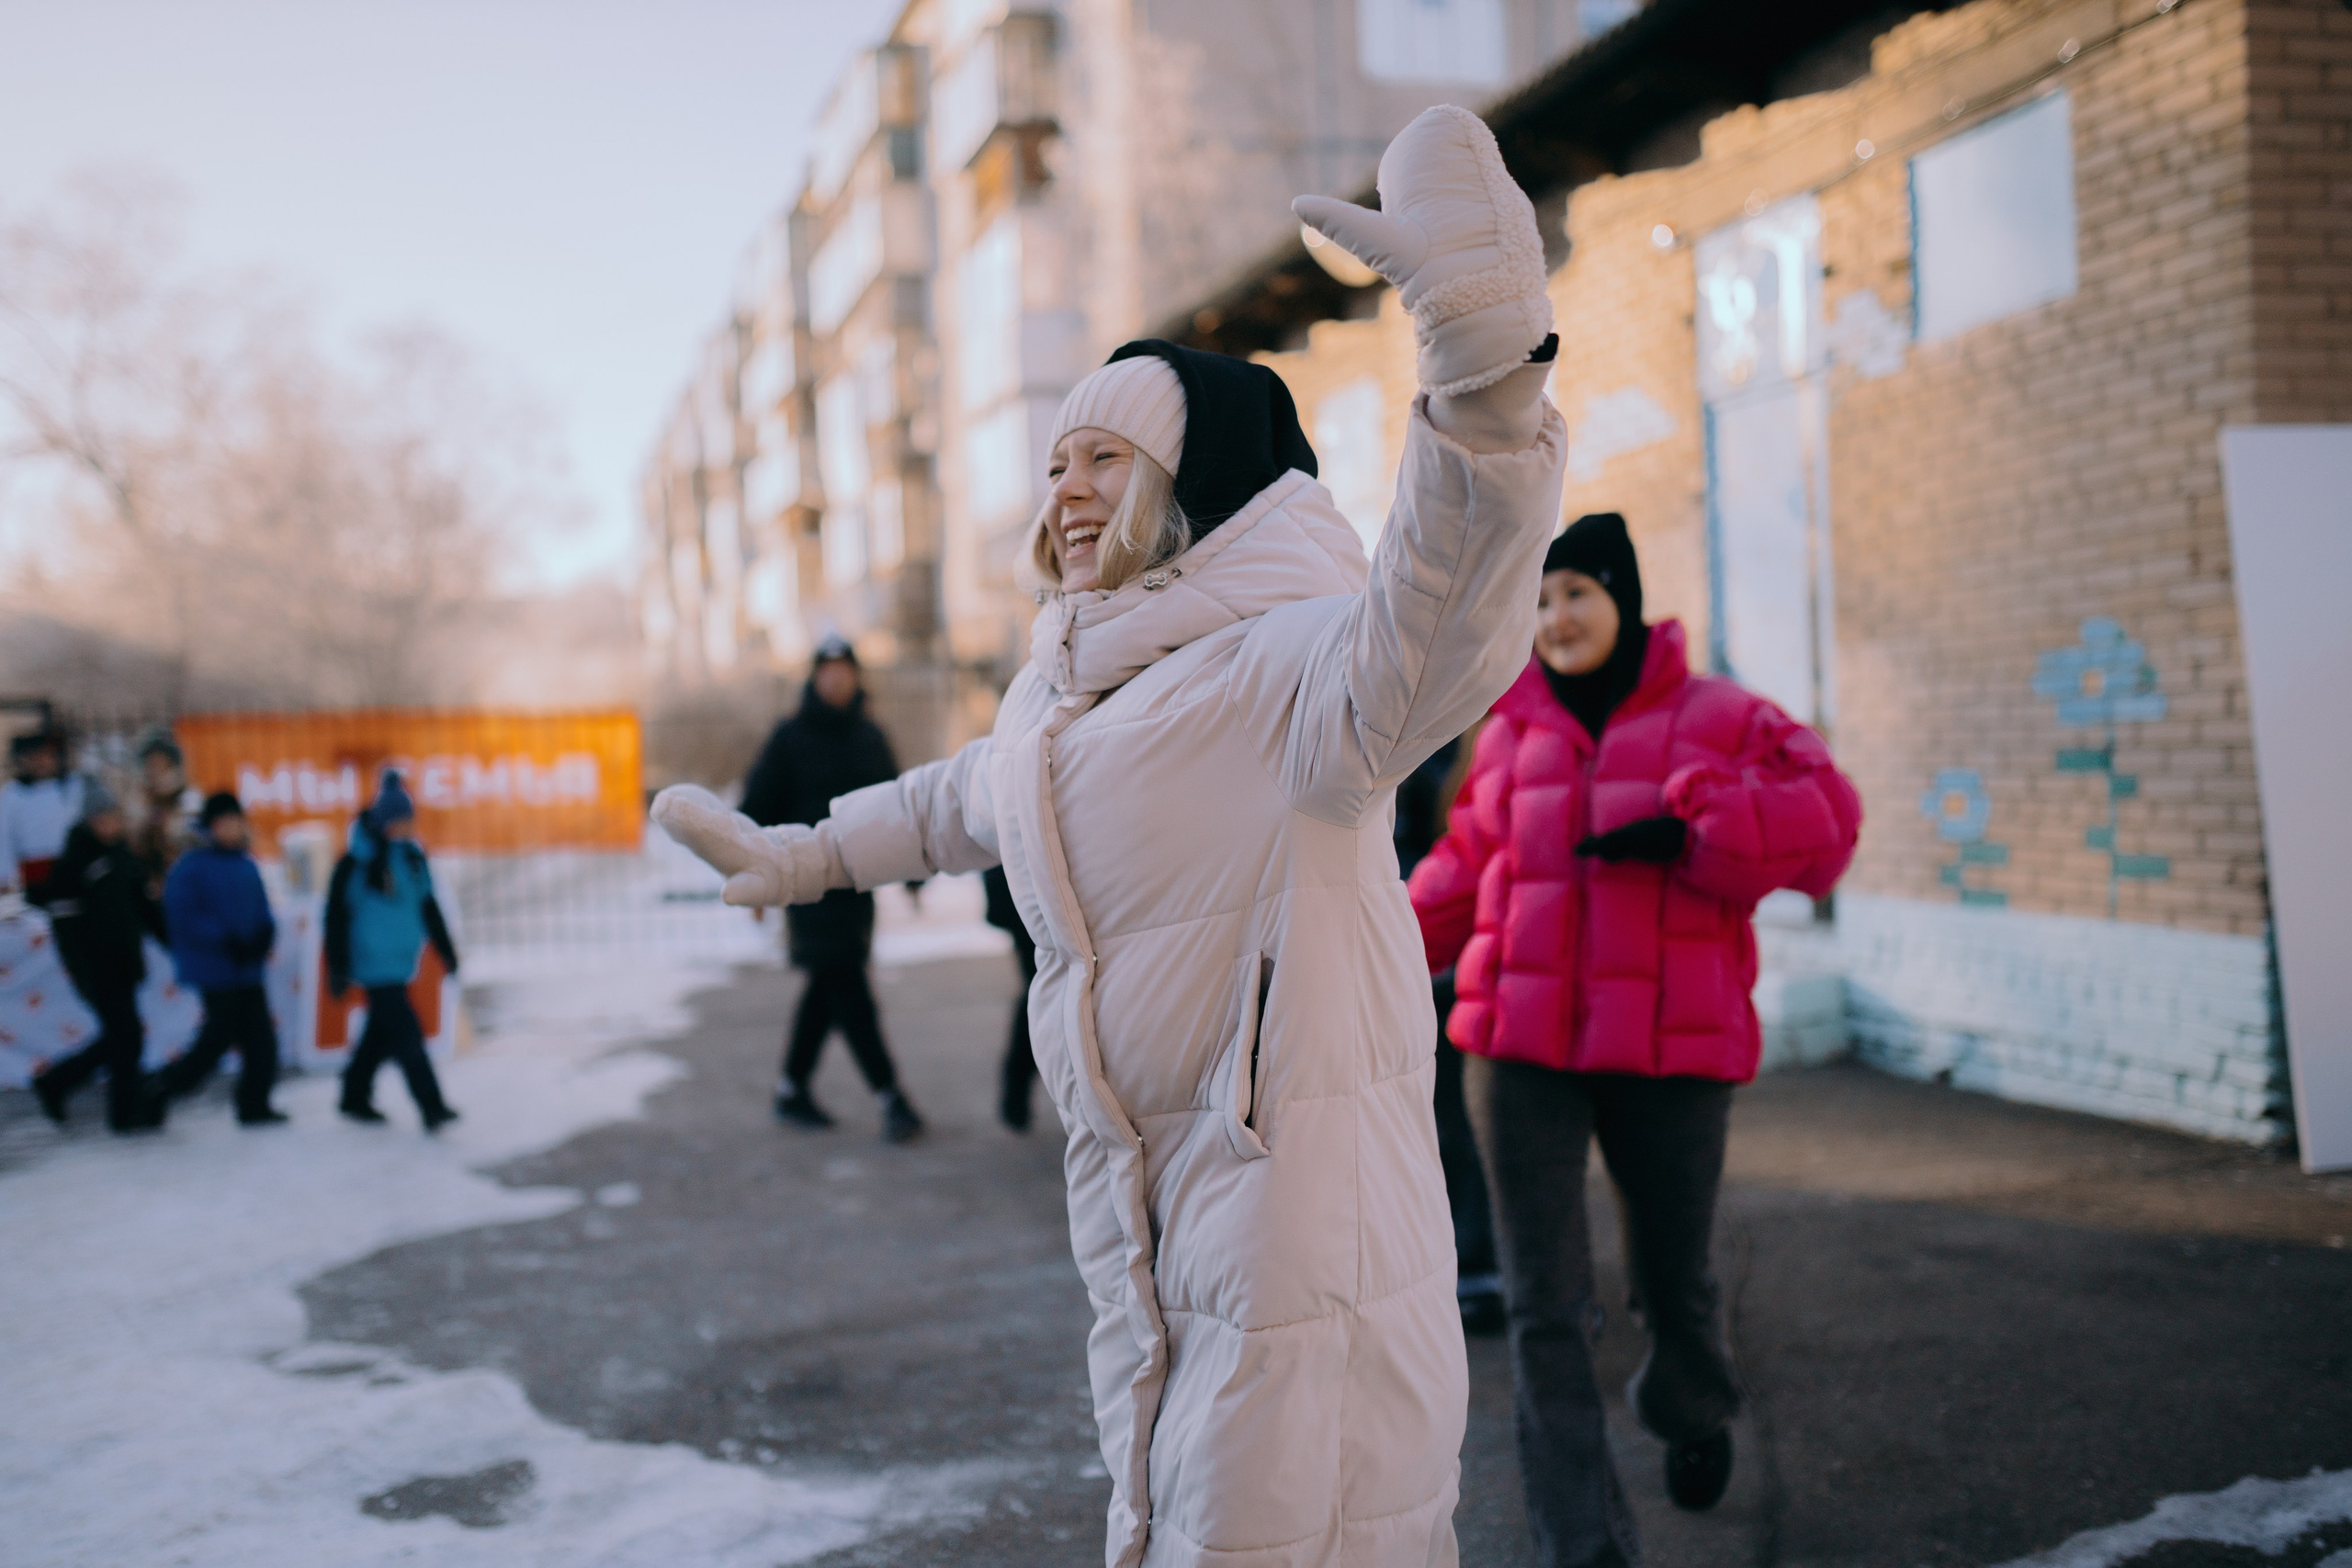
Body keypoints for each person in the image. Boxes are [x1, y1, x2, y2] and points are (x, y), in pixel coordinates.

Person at [658, 105, 1565, 1566]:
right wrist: (809, 853)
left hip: (1297, 1225)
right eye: (1058, 461)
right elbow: (966, 795)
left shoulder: (1295, 666)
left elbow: (1448, 606)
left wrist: (1486, 382)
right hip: (1147, 1218)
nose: (1066, 490)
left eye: (1106, 458)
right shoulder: (1066, 695)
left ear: (1186, 486)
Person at [1408, 512, 1862, 1565]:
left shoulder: (1721, 716)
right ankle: (1583, 1542)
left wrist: (1703, 824)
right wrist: (1352, 946)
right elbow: (1462, 871)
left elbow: (1829, 823)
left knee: (1673, 1280)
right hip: (1516, 1050)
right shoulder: (1508, 728)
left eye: (1575, 592)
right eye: (1537, 600)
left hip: (1671, 1052)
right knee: (1544, 1305)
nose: (1554, 618)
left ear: (1621, 596)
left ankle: (1692, 1403)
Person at [738, 636, 924, 1145]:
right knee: (847, 986)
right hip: (807, 886)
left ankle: (791, 1089)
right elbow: (755, 807)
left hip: (858, 885)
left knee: (828, 988)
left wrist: (914, 873)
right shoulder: (790, 738)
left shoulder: (869, 736)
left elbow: (898, 809)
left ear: (856, 676)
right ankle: (891, 1097)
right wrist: (754, 880)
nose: (836, 677)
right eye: (827, 669)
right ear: (814, 676)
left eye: (845, 668)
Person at [1396, 739, 1505, 1337]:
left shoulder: (1489, 732)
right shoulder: (1427, 743)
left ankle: (1481, 1263)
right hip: (1437, 953)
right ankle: (1473, 1263)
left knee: (1472, 1124)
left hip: (1474, 956)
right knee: (1454, 1123)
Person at [325, 772, 460, 1131]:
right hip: (373, 963)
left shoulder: (413, 858)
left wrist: (446, 950)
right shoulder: (358, 863)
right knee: (406, 1034)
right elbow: (335, 917)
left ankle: (353, 1095)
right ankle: (431, 1106)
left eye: (409, 820)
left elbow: (428, 906)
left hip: (401, 961)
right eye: (401, 820)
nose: (407, 827)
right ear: (386, 822)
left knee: (379, 1034)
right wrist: (338, 966)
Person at [29, 784, 168, 1131]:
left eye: (115, 817)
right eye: (103, 819)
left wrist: (172, 940)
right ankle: (124, 1113)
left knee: (124, 1036)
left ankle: (56, 1082)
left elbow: (144, 908)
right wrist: (81, 969)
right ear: (89, 821)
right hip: (98, 967)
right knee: (126, 1036)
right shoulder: (74, 862)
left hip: (125, 962)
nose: (111, 825)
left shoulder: (124, 857)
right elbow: (65, 925)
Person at [156, 793, 284, 1125]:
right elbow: (183, 916)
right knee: (216, 1040)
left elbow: (261, 908)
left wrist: (264, 934)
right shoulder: (192, 866)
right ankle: (160, 1090)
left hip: (248, 968)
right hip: (215, 968)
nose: (231, 829)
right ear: (210, 827)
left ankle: (254, 1103)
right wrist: (225, 940)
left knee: (261, 1040)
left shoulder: (245, 863)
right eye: (224, 823)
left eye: (236, 823)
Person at [1, 729, 88, 905]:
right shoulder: (11, 794)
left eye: (46, 756)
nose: (41, 762)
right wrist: (6, 878)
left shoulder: (74, 786)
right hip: (34, 875)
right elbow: (4, 838)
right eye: (33, 757)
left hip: (73, 869)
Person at [983, 864, 1038, 1132]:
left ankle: (1016, 1087)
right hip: (1025, 890)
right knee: (1041, 991)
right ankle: (1016, 1086)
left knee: (1042, 990)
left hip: (1027, 889)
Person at [131, 730, 198, 887]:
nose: (153, 768)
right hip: (147, 882)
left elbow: (194, 839)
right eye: (150, 763)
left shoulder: (188, 798)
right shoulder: (140, 799)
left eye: (159, 762)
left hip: (185, 879)